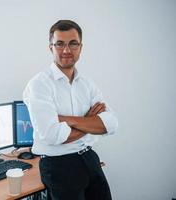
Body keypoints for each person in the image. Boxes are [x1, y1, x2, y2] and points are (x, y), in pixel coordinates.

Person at [23, 20, 118, 200]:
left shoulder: (87, 84)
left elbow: (111, 123)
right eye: (60, 44)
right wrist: (89, 121)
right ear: (50, 47)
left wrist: (68, 120)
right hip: (58, 165)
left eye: (73, 44)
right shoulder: (39, 85)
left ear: (80, 47)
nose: (66, 50)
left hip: (90, 158)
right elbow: (51, 135)